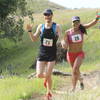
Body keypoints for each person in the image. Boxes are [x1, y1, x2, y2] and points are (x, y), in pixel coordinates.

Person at [26, 9, 62, 99]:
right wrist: (30, 31)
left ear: (52, 15)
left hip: (52, 54)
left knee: (49, 74)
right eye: (45, 15)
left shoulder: (56, 26)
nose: (47, 16)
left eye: (48, 15)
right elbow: (34, 39)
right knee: (39, 75)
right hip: (42, 53)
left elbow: (61, 38)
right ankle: (46, 80)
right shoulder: (40, 27)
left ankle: (48, 93)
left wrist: (64, 42)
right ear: (44, 16)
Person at [61, 14, 100, 92]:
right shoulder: (67, 32)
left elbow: (92, 23)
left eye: (77, 22)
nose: (75, 24)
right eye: (74, 22)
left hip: (79, 54)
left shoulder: (82, 29)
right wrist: (63, 44)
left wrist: (97, 18)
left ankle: (73, 89)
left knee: (75, 69)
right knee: (75, 71)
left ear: (79, 23)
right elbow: (64, 43)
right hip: (70, 54)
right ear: (72, 23)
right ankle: (81, 80)